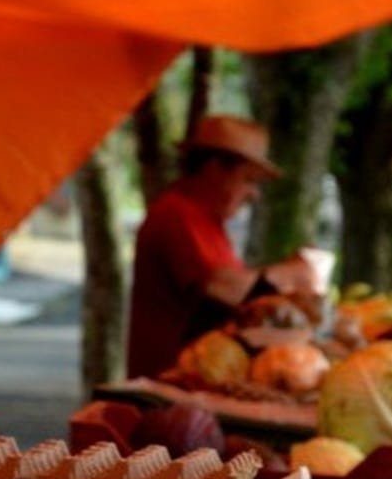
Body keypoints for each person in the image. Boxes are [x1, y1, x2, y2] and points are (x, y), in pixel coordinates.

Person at [126, 115, 318, 379]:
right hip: (167, 385)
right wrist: (289, 272)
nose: (254, 193)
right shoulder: (177, 216)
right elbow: (224, 287)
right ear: (215, 168)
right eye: (249, 180)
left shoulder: (206, 221)